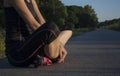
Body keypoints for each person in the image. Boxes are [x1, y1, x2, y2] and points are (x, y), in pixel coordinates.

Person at [4, 0, 72, 67]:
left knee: (67, 31)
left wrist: (55, 40)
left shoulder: (32, 1)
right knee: (51, 27)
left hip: (32, 46)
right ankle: (53, 55)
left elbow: (42, 23)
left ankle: (45, 56)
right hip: (17, 52)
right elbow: (34, 25)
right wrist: (59, 44)